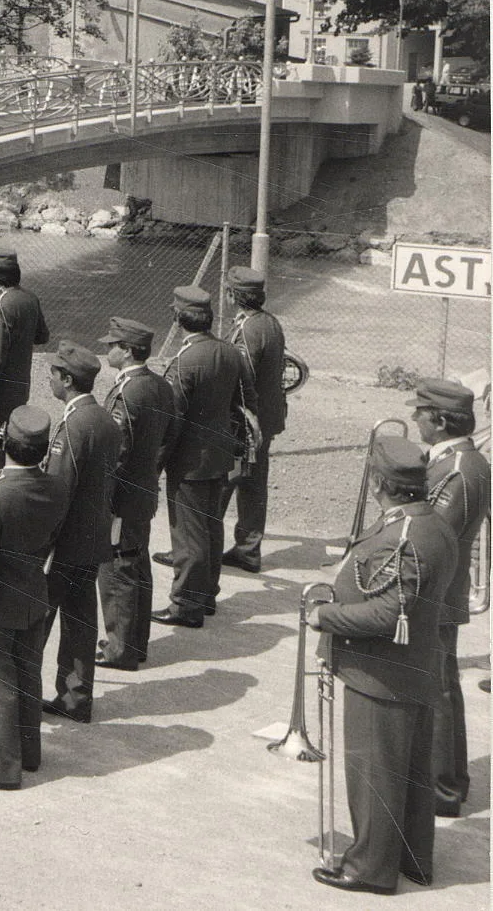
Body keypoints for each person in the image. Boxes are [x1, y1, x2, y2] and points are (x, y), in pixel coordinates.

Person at [309, 436, 458, 894]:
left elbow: (388, 612)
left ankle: (369, 868)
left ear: (379, 483)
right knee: (409, 774)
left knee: (374, 774)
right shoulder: (429, 522)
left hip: (380, 672)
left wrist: (324, 615)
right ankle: (413, 859)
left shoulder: (406, 536)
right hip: (410, 668)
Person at [0, 404, 68, 791]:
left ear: (6, 445)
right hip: (33, 594)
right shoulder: (56, 486)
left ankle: (0, 767)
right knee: (27, 677)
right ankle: (28, 751)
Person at [152, 285, 252, 629]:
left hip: (190, 461)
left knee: (188, 535)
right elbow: (244, 401)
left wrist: (156, 465)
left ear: (179, 320)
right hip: (219, 454)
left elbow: (173, 420)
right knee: (211, 528)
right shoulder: (229, 352)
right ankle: (207, 595)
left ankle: (186, 604)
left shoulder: (185, 362)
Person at [416, 378, 489, 820]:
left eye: (421, 414)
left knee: (437, 691)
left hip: (436, 596)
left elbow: (434, 539)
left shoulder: (460, 469)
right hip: (443, 593)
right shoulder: (458, 461)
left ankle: (441, 789)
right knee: (443, 687)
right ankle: (451, 780)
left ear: (441, 421)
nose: (414, 419)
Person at [40, 341, 121, 724]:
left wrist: (40, 543)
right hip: (93, 538)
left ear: (68, 379)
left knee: (35, 618)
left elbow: (59, 490)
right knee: (80, 621)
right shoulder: (104, 419)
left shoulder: (73, 425)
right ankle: (76, 697)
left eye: (54, 373)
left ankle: (21, 697)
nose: (49, 379)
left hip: (65, 543)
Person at [94, 318, 175, 672]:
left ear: (126, 351)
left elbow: (117, 451)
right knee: (138, 565)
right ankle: (135, 642)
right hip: (143, 490)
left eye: (112, 344)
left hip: (122, 497)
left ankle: (120, 648)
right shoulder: (159, 386)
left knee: (117, 571)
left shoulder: (128, 392)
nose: (106, 349)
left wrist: (103, 497)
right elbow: (167, 439)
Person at [224, 265, 288, 573]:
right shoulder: (270, 323)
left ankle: (198, 549)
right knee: (252, 484)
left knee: (220, 481)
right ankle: (248, 549)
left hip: (245, 424)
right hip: (267, 419)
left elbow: (241, 378)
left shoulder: (247, 329)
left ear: (232, 296)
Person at [0, 243, 48, 479]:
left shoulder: (3, 306)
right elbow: (42, 336)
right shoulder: (29, 298)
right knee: (10, 449)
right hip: (19, 388)